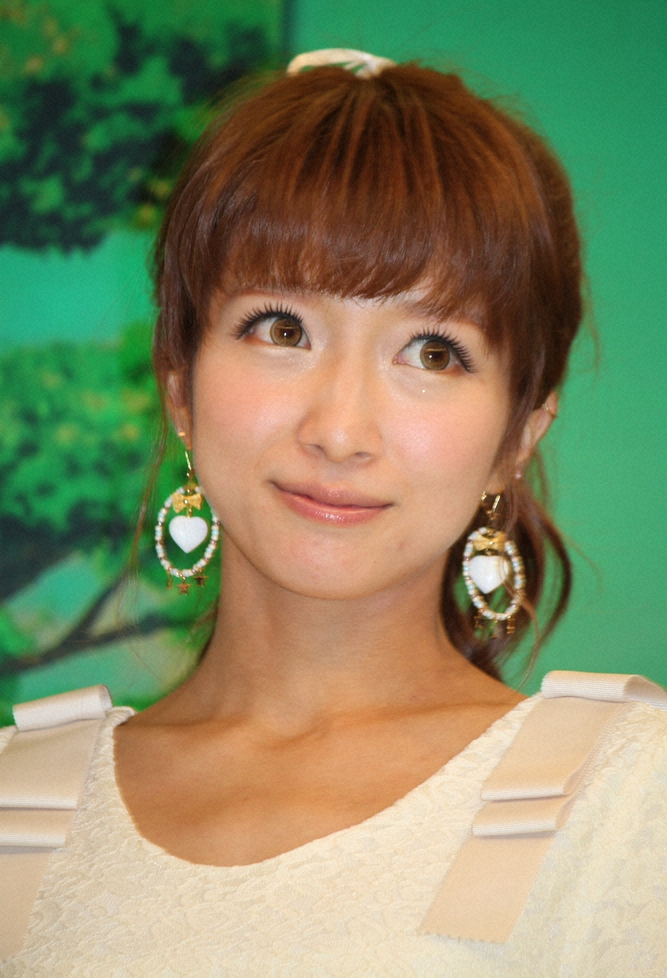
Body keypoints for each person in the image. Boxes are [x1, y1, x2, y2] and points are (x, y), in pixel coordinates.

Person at [1, 49, 665, 976]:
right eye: (282, 329)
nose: (340, 431)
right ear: (180, 382)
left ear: (517, 433)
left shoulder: (631, 796)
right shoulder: (16, 803)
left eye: (432, 352)